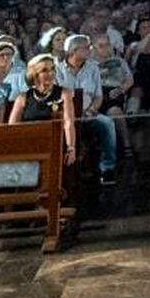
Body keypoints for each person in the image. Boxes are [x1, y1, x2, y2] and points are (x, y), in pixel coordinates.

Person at [59, 33, 118, 185]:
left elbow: (98, 96)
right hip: (66, 117)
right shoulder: (58, 70)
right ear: (74, 51)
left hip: (88, 114)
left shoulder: (93, 68)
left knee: (107, 123)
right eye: (86, 47)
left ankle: (107, 169)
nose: (90, 50)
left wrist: (91, 110)